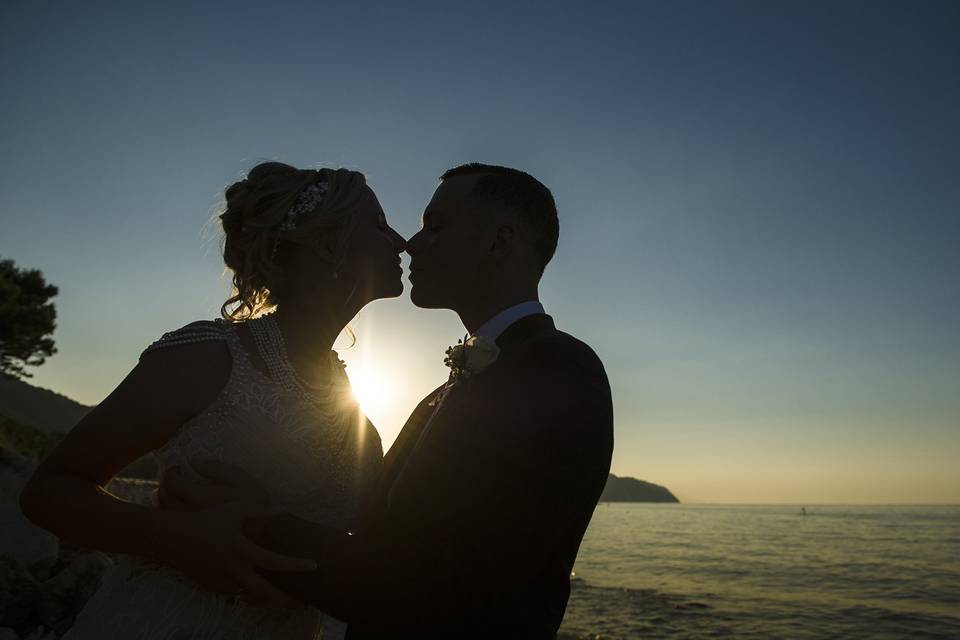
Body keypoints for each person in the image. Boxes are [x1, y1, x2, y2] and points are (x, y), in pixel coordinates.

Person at [164, 163, 615, 638]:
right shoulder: (450, 387)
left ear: (498, 243)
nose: (411, 243)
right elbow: (397, 535)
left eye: (434, 226)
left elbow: (439, 585)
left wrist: (257, 523)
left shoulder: (557, 369)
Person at [20, 162, 407, 639]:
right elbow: (48, 491)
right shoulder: (211, 356)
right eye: (379, 225)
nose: (401, 240)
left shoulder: (354, 410)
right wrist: (173, 539)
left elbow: (363, 554)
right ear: (328, 243)